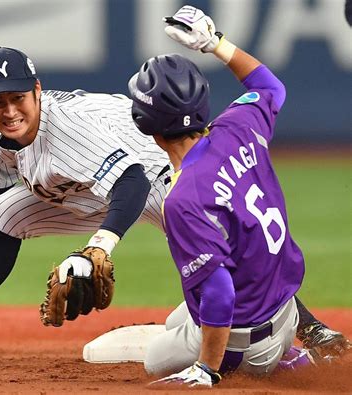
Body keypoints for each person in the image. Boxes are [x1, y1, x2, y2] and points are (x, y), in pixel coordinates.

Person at [0, 32, 348, 365]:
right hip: (85, 186)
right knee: (2, 213)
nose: (9, 111)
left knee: (217, 246)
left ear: (37, 90)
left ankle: (301, 327)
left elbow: (131, 183)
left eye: (17, 98)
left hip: (157, 170)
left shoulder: (67, 131)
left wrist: (97, 248)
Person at [123, 5, 350, 387]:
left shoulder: (183, 198)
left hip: (247, 345)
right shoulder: (238, 125)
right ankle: (284, 346)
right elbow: (270, 88)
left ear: (147, 127)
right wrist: (216, 44)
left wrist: (206, 368)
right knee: (178, 319)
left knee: (156, 358)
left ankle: (282, 361)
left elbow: (219, 293)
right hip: (287, 310)